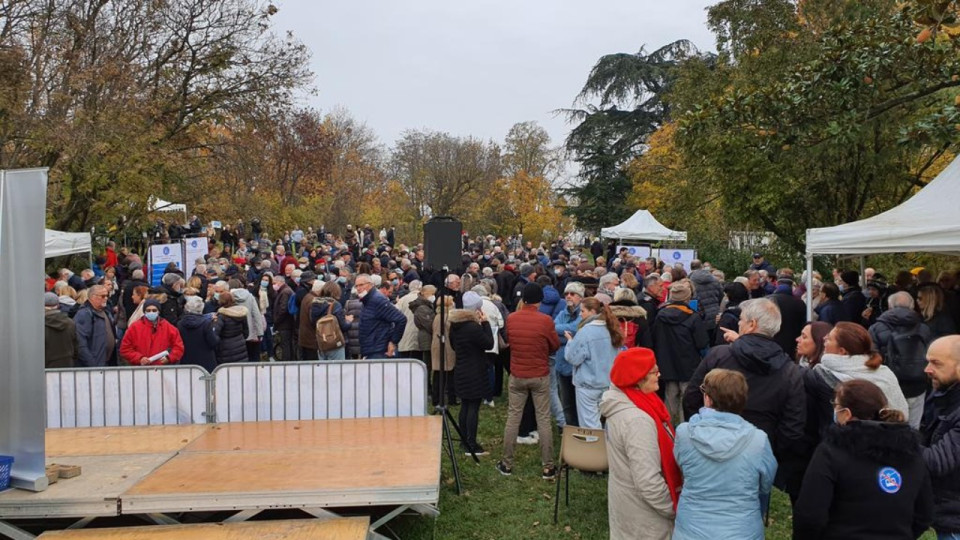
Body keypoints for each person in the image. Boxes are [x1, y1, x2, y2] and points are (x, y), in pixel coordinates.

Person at [682, 298, 806, 501]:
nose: (738, 323)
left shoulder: (719, 356)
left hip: (710, 449)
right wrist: (769, 451)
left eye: (741, 319)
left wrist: (700, 432)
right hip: (754, 457)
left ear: (752, 324)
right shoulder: (790, 371)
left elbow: (691, 399)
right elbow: (793, 426)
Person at [793, 380, 933, 540]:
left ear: (846, 413)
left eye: (836, 404)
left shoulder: (831, 452)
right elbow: (924, 515)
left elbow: (810, 514)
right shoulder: (912, 454)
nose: (833, 408)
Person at [673, 369, 777, 540]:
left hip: (692, 529)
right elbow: (765, 483)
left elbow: (681, 464)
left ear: (708, 398)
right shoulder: (758, 440)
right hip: (742, 530)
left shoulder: (684, 434)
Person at [600, 347, 680, 540]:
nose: (659, 375)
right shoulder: (638, 421)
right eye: (654, 372)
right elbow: (648, 482)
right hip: (645, 519)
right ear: (639, 378)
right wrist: (674, 509)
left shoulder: (635, 401)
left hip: (629, 507)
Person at [496, 283, 560, 479]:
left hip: (518, 375)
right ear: (539, 301)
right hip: (539, 374)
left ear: (523, 299)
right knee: (543, 419)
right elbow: (554, 345)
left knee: (513, 417)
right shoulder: (546, 321)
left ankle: (507, 463)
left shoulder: (512, 319)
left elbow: (511, 341)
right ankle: (548, 466)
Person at [804, 322, 909, 439]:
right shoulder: (885, 372)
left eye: (829, 339)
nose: (824, 339)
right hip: (894, 438)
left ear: (842, 351)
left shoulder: (826, 375)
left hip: (853, 442)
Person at [870, 291, 935, 429]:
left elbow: (870, 357)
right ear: (912, 306)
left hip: (888, 385)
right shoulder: (924, 328)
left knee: (890, 428)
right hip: (918, 383)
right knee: (913, 427)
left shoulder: (876, 328)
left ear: (889, 306)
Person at [651, 279, 708, 424]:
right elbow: (702, 342)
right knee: (687, 398)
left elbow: (655, 339)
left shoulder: (660, 315)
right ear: (688, 298)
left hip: (666, 362)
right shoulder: (693, 317)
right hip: (688, 363)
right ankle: (684, 427)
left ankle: (668, 427)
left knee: (670, 397)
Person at [920, 335, 960, 539]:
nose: (927, 369)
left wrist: (895, 437)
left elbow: (938, 462)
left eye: (936, 363)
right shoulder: (942, 395)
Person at [564, 297, 622, 428]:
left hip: (588, 385)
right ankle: (609, 446)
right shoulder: (611, 328)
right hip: (608, 383)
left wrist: (570, 342)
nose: (580, 314)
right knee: (609, 421)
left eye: (583, 311)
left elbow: (573, 358)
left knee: (590, 424)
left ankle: (594, 447)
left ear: (592, 311)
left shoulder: (586, 331)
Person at [449, 291, 494, 455]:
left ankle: (463, 441)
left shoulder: (455, 325)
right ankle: (471, 444)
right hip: (474, 371)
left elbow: (454, 346)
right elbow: (488, 344)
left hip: (461, 368)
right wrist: (486, 323)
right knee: (473, 407)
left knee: (465, 406)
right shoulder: (474, 327)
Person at [553, 281, 585, 428]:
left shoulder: (583, 313)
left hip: (578, 364)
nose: (568, 296)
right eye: (566, 294)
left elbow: (577, 329)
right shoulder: (562, 312)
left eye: (572, 294)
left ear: (580, 297)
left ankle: (580, 427)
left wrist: (564, 335)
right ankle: (569, 428)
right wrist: (567, 336)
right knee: (566, 400)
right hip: (562, 362)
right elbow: (552, 329)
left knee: (578, 399)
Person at [119, 298, 184, 366]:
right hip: (140, 369)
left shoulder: (169, 328)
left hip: (161, 370)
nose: (151, 312)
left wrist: (169, 358)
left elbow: (178, 347)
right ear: (144, 312)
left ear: (158, 311)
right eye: (148, 310)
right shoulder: (134, 328)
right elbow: (125, 349)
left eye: (154, 310)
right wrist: (139, 358)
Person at [356, 273, 407, 358]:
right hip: (371, 350)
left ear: (370, 285)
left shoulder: (378, 300)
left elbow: (401, 319)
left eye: (361, 285)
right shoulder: (366, 301)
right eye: (356, 286)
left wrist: (393, 342)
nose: (358, 288)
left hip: (379, 351)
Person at [74, 284, 117, 367]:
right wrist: (92, 364)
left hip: (106, 363)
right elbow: (80, 343)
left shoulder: (106, 312)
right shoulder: (84, 314)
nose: (106, 298)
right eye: (103, 296)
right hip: (95, 365)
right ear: (93, 297)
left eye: (107, 295)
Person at [767, 269, 807, 359]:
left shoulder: (768, 301)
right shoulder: (800, 303)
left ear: (777, 284)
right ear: (792, 285)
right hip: (792, 343)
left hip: (772, 342)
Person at [308, 281, 351, 360]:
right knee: (337, 370)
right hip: (335, 343)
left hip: (321, 342)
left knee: (325, 370)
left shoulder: (314, 304)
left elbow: (312, 322)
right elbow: (343, 326)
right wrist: (349, 321)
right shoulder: (335, 305)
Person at [177, 296, 220, 371]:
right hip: (206, 361)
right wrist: (216, 333)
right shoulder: (206, 323)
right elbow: (213, 342)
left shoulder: (180, 324)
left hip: (187, 361)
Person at [45, 292, 77, 368]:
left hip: (46, 367)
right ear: (58, 305)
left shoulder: (38, 325)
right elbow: (76, 346)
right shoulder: (70, 323)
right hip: (66, 365)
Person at [215, 292, 249, 364]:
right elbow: (246, 332)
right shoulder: (241, 313)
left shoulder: (221, 316)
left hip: (225, 348)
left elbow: (216, 333)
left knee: (227, 371)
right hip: (240, 345)